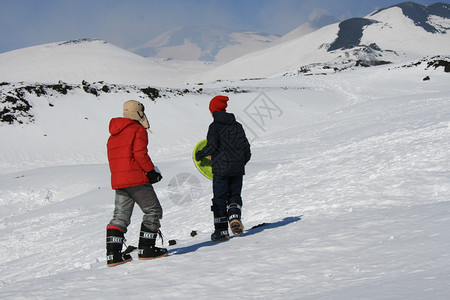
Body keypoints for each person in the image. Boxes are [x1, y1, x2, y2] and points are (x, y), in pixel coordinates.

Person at [105, 100, 167, 267]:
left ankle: (113, 255)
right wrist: (151, 173)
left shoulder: (113, 134)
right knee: (153, 211)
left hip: (119, 181)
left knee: (119, 217)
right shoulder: (137, 129)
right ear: (139, 113)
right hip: (136, 180)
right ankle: (147, 250)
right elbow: (140, 154)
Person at [195, 95, 251, 242]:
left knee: (219, 198)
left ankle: (221, 231)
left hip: (220, 170)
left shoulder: (214, 126)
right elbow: (246, 148)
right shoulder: (237, 125)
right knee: (234, 195)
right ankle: (234, 216)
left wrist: (201, 154)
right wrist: (240, 163)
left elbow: (212, 146)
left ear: (212, 110)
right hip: (237, 169)